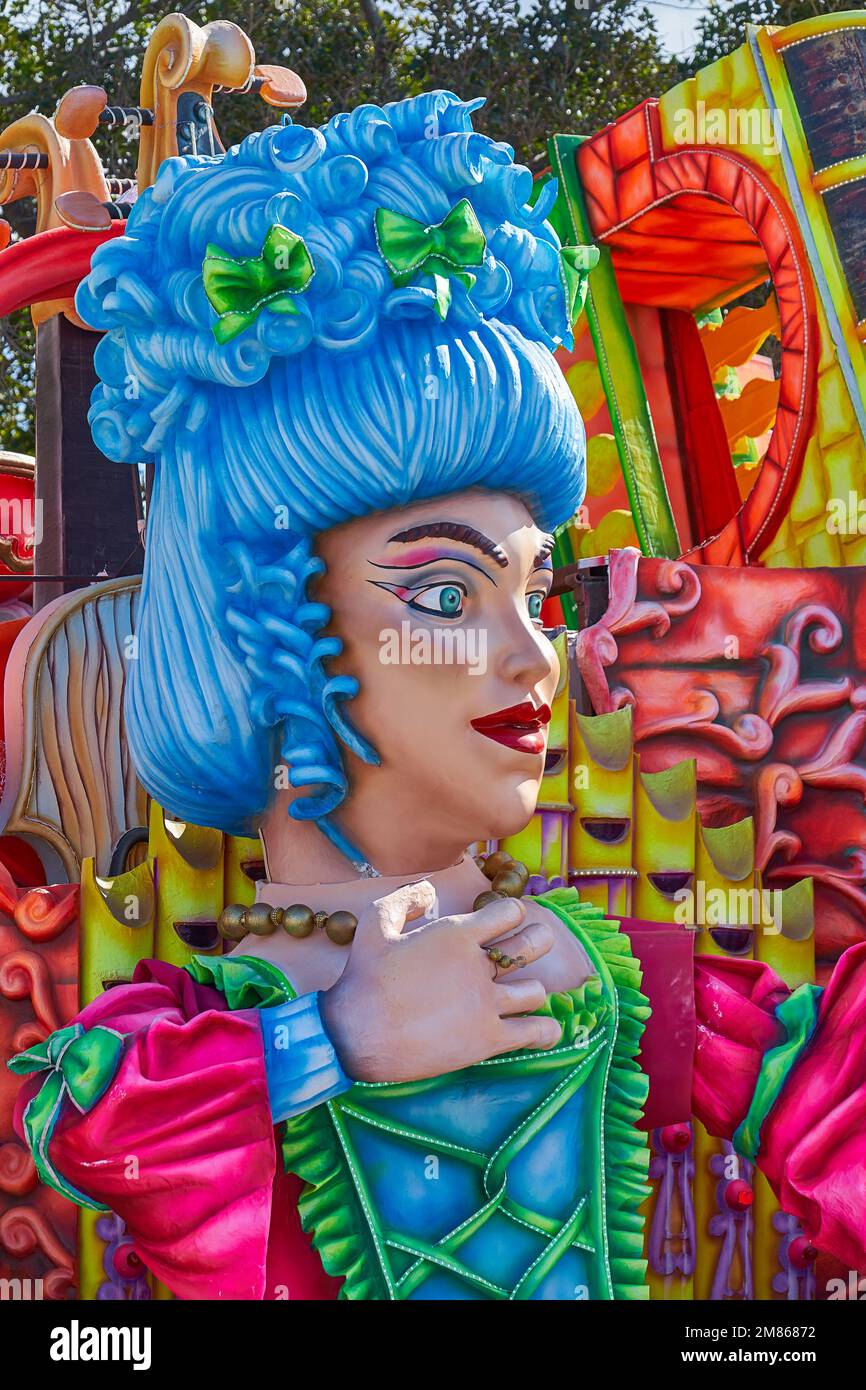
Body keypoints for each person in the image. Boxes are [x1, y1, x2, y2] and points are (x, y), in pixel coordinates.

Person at [9, 92, 866, 1300]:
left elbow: (831, 1097)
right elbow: (92, 1127)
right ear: (271, 634)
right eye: (450, 598)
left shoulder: (605, 979)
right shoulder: (183, 1048)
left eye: (538, 594)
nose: (534, 660)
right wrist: (332, 1039)